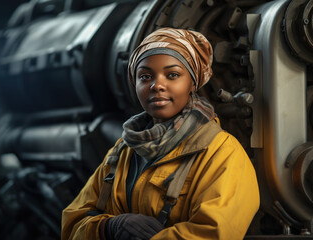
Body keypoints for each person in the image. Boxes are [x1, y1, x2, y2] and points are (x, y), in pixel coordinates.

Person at [61, 27, 260, 240]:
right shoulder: (123, 152)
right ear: (134, 84)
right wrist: (108, 227)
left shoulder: (222, 153)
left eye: (172, 75)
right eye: (145, 76)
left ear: (192, 83)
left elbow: (214, 233)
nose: (157, 86)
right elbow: (73, 224)